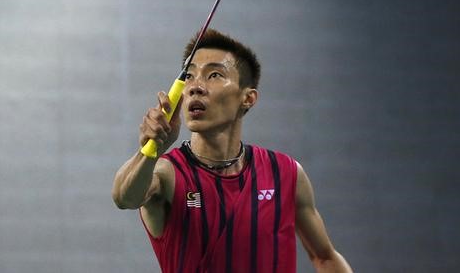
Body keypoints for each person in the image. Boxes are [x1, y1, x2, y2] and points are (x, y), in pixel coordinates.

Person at [112, 29, 352, 273]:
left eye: (214, 75)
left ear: (248, 98)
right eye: (190, 76)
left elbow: (325, 258)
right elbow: (125, 197)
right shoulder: (167, 173)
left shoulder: (286, 174)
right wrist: (151, 150)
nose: (195, 87)